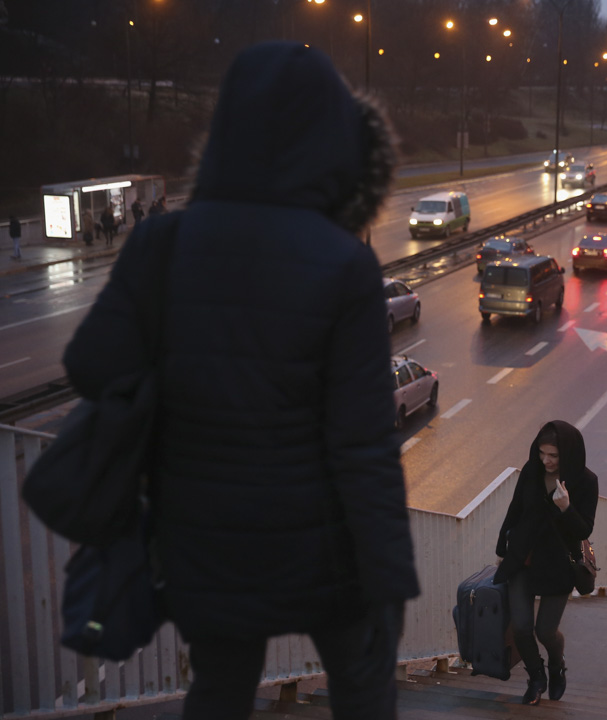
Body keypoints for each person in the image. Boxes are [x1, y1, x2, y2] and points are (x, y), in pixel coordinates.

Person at [62, 42, 417, 720]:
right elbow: (363, 444)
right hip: (324, 548)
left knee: (220, 688)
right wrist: (389, 577)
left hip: (202, 541)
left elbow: (92, 366)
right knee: (362, 683)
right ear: (330, 143)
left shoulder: (161, 244)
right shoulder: (343, 264)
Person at [494, 421, 599, 706]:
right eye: (542, 453)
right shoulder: (531, 471)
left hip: (557, 565)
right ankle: (536, 678)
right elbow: (515, 509)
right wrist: (501, 546)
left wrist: (566, 508)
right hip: (523, 558)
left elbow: (583, 531)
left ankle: (556, 664)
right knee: (521, 627)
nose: (546, 460)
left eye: (553, 455)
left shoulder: (586, 482)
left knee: (546, 631)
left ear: (569, 453)